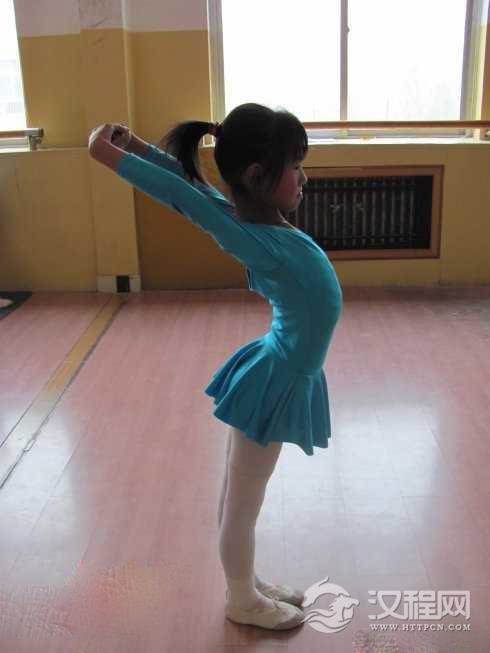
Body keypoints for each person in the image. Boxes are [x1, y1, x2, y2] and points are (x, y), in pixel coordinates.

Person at [88, 103, 343, 631]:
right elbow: (184, 198)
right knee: (244, 501)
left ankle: (246, 581)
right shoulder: (251, 237)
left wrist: (135, 146)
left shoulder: (257, 223)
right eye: (295, 167)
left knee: (240, 492)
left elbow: (193, 189)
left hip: (278, 370)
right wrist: (108, 155)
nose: (304, 178)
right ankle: (241, 598)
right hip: (275, 382)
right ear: (257, 175)